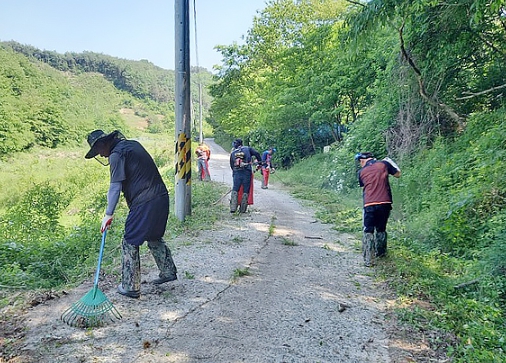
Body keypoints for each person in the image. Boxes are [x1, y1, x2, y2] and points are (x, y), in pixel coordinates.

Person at [85, 130, 178, 298]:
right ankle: (168, 271)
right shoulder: (132, 145)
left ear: (102, 144)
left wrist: (108, 214)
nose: (101, 155)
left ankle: (130, 286)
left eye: (98, 151)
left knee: (129, 241)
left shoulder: (116, 154)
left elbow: (115, 187)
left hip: (145, 201)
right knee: (154, 236)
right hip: (161, 197)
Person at [355, 152, 401, 267]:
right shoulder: (384, 164)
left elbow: (363, 185)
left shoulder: (361, 172)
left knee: (368, 230)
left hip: (369, 203)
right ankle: (381, 254)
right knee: (381, 229)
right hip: (385, 202)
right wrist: (390, 162)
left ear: (362, 160)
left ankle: (369, 259)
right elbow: (398, 174)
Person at [229, 138, 262, 213]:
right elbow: (257, 153)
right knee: (245, 190)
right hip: (247, 172)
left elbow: (231, 165)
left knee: (235, 188)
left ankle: (233, 208)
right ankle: (243, 209)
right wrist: (260, 163)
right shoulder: (248, 149)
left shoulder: (233, 152)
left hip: (237, 172)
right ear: (242, 144)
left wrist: (234, 172)